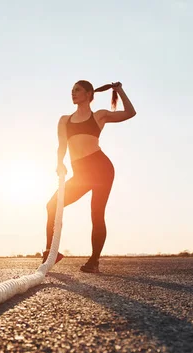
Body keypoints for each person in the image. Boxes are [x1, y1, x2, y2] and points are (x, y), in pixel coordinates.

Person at [42, 80, 136, 273]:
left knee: (97, 214)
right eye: (72, 90)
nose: (73, 93)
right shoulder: (64, 120)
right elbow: (62, 146)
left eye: (77, 90)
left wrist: (120, 90)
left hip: (101, 168)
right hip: (81, 173)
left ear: (88, 94)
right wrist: (60, 163)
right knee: (52, 205)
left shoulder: (99, 116)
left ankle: (94, 261)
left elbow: (130, 113)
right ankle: (51, 252)